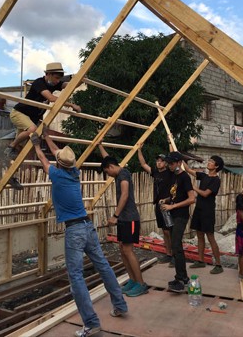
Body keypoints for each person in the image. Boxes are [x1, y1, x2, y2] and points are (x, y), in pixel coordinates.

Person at [30, 133, 127, 336]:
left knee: (76, 276)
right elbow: (58, 154)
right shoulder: (74, 172)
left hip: (74, 230)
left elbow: (44, 159)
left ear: (59, 163)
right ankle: (120, 305)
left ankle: (91, 323)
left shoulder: (56, 174)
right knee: (102, 265)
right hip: (87, 226)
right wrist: (47, 136)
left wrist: (37, 144)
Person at [98, 144, 148, 297]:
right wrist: (100, 145)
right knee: (122, 248)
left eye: (107, 171)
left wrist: (115, 216)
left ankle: (141, 283)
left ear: (112, 167)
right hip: (124, 219)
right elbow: (106, 158)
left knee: (128, 249)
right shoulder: (118, 173)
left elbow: (125, 195)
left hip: (129, 218)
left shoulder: (124, 174)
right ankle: (132, 280)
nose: (108, 174)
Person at [5, 62, 81, 160]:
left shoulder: (54, 84)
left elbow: (71, 85)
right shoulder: (39, 83)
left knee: (22, 144)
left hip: (30, 118)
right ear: (48, 74)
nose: (58, 81)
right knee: (32, 130)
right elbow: (51, 98)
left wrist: (81, 79)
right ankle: (10, 147)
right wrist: (71, 105)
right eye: (56, 78)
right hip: (19, 113)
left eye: (59, 79)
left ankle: (13, 157)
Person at [160, 151, 196, 293]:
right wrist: (167, 200)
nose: (169, 165)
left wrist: (172, 206)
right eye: (168, 163)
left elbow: (191, 198)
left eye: (172, 163)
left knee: (176, 245)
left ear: (179, 163)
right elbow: (176, 195)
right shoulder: (174, 177)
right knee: (176, 246)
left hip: (181, 215)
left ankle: (182, 278)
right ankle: (181, 277)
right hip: (173, 214)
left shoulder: (185, 177)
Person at [183, 156, 224, 274]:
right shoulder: (204, 176)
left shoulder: (216, 180)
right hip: (199, 209)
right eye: (209, 161)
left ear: (216, 166)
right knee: (199, 236)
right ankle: (201, 261)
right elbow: (188, 170)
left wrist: (194, 187)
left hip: (208, 211)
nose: (209, 162)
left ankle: (218, 264)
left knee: (210, 237)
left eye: (211, 162)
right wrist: (181, 158)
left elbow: (206, 194)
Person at [137, 148, 175, 265]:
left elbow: (174, 157)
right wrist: (139, 149)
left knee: (171, 231)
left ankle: (175, 255)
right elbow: (143, 164)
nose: (158, 162)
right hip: (158, 205)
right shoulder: (155, 172)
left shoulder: (170, 172)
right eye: (157, 161)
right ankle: (168, 254)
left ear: (166, 163)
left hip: (168, 204)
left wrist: (170, 143)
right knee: (164, 231)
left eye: (161, 161)